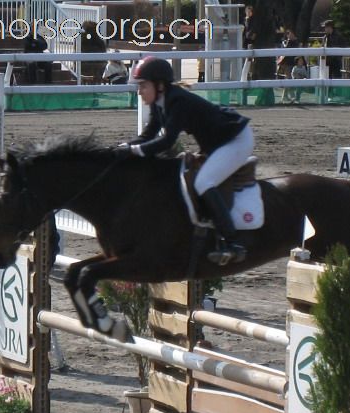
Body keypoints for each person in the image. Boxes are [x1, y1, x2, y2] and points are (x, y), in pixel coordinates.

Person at [114, 57, 253, 265]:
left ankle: (233, 243)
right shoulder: (160, 103)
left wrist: (134, 151)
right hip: (218, 143)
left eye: (143, 85)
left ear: (159, 85)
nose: (139, 91)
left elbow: (167, 140)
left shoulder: (177, 101)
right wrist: (122, 148)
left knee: (204, 182)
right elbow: (147, 136)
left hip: (236, 140)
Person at [277, 29, 299, 103]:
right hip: (287, 64)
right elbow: (284, 52)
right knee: (289, 79)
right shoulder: (286, 42)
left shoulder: (296, 42)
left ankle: (284, 97)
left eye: (291, 33)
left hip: (294, 64)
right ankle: (292, 97)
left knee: (289, 80)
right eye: (289, 33)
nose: (290, 35)